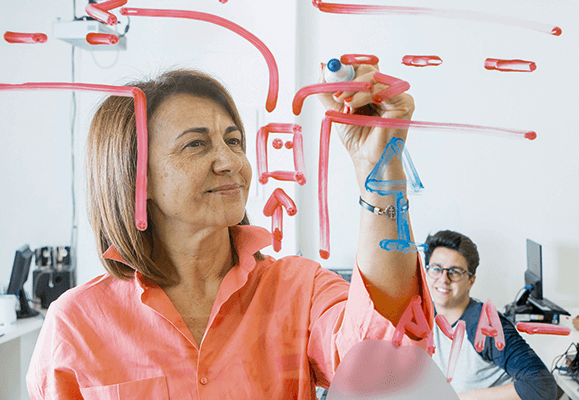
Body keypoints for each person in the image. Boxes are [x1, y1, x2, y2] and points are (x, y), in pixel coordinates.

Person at [26, 67, 434, 399]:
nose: (229, 162)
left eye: (234, 141)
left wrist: (378, 169)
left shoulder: (298, 289)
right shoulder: (75, 324)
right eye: (195, 145)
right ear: (137, 178)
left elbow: (385, 366)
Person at [424, 230, 557, 400]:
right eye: (436, 269)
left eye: (455, 272)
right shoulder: (423, 316)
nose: (444, 279)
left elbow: (542, 386)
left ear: (471, 281)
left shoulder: (484, 325)